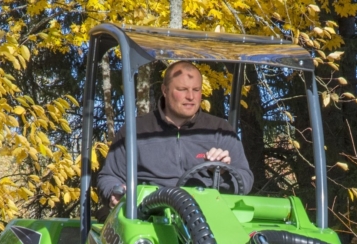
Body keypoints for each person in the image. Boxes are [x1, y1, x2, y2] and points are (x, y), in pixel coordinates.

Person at [98, 61, 254, 205]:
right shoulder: (136, 130)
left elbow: (245, 180)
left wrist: (222, 172)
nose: (191, 97)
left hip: (208, 214)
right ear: (165, 90)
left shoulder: (220, 130)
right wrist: (115, 191)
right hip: (150, 214)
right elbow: (109, 177)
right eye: (182, 89)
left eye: (196, 90)